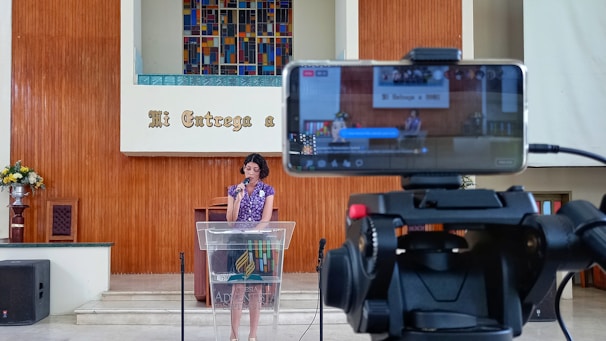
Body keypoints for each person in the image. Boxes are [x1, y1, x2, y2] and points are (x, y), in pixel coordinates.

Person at [226, 153, 275, 341]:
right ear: (244, 169)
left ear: (261, 171)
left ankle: (253, 335)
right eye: (248, 168)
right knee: (238, 288)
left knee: (256, 288)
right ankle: (234, 334)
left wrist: (252, 234)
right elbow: (230, 221)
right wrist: (238, 198)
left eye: (256, 169)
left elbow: (266, 219)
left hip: (259, 243)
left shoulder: (268, 190)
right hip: (237, 241)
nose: (252, 172)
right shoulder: (233, 190)